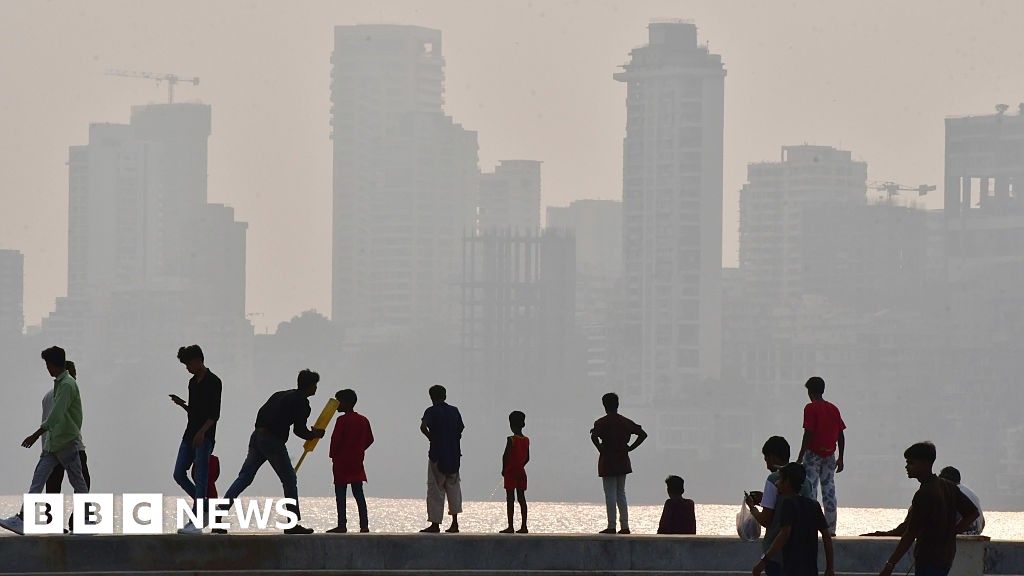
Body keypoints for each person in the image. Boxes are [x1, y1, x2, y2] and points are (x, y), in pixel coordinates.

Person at [221, 369, 325, 535]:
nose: (316, 389)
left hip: (257, 436)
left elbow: (261, 414)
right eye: (315, 385)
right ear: (310, 386)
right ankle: (292, 524)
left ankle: (219, 514)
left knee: (245, 477)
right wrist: (314, 434)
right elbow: (299, 431)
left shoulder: (279, 394)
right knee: (289, 479)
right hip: (272, 441)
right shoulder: (302, 402)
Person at [1, 346, 89, 536]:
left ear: (54, 364)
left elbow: (56, 415)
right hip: (53, 445)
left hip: (66, 444)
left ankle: (85, 521)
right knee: (38, 481)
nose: (46, 368)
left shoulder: (67, 385)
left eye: (47, 364)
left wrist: (35, 435)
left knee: (78, 483)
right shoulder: (60, 384)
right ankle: (23, 519)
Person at [877, 442, 979, 576]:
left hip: (929, 559)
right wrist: (952, 532)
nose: (907, 467)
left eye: (911, 463)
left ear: (925, 464)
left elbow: (910, 533)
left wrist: (890, 565)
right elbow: (972, 513)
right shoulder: (948, 487)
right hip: (946, 557)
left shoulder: (924, 493)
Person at [170, 344, 222, 535]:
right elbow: (194, 412)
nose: (187, 368)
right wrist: (182, 404)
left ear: (198, 360)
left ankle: (197, 519)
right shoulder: (192, 383)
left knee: (201, 478)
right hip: (189, 434)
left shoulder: (214, 382)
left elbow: (214, 414)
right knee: (178, 474)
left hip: (205, 437)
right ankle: (206, 505)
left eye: (188, 364)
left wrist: (202, 433)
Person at [745, 436, 814, 576]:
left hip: (776, 556)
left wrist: (752, 507)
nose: (767, 465)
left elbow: (766, 520)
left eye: (766, 459)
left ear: (773, 457)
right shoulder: (806, 482)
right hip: (802, 556)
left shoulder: (773, 479)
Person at [753, 463, 835, 576]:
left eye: (781, 479)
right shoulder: (814, 505)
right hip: (810, 569)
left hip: (791, 569)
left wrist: (763, 562)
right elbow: (826, 536)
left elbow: (784, 534)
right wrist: (830, 568)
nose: (777, 483)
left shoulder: (788, 504)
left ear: (787, 482)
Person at [590, 392, 647, 535]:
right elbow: (642, 434)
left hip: (608, 459)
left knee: (610, 493)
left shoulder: (601, 422)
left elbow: (594, 436)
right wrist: (630, 448)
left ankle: (611, 526)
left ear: (604, 405)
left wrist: (600, 449)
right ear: (617, 404)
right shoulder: (625, 421)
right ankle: (625, 526)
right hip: (622, 459)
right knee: (621, 493)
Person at [796, 376, 846, 536]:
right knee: (829, 491)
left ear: (810, 392)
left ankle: (810, 526)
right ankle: (830, 528)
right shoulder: (834, 409)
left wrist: (800, 456)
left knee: (810, 489)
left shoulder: (810, 408)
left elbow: (808, 433)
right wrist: (841, 457)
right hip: (830, 454)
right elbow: (841, 435)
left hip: (813, 454)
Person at [327, 388, 374, 534]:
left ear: (346, 403)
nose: (336, 405)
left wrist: (333, 455)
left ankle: (342, 524)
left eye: (338, 402)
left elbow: (335, 440)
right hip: (357, 462)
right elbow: (370, 439)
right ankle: (364, 525)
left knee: (341, 494)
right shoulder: (363, 420)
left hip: (341, 462)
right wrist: (359, 449)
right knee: (359, 494)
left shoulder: (341, 420)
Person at [420, 385, 465, 533]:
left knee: (435, 489)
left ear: (431, 397)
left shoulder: (431, 411)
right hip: (453, 455)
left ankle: (435, 524)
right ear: (445, 395)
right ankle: (455, 523)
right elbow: (460, 429)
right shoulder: (454, 411)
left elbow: (423, 426)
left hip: (437, 455)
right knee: (454, 488)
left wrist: (430, 438)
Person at [499, 410, 530, 534]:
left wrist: (504, 468)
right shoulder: (526, 440)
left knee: (510, 499)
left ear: (511, 425)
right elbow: (528, 458)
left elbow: (505, 456)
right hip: (521, 472)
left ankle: (510, 526)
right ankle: (524, 526)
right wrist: (520, 465)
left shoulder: (511, 439)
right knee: (522, 499)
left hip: (511, 472)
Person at [938, 466, 985, 536]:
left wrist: (953, 533)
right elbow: (983, 522)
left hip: (962, 537)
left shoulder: (951, 491)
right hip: (977, 534)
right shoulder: (969, 492)